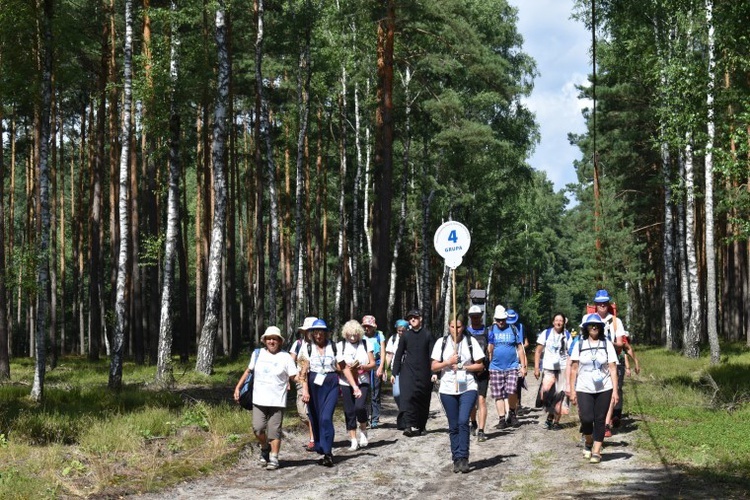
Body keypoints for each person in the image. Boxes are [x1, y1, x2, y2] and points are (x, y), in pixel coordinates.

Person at [233, 326, 298, 470]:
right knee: (258, 429)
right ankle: (264, 447)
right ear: (265, 341)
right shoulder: (257, 354)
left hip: (277, 400)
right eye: (269, 339)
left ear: (279, 341)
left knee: (274, 430)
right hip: (258, 399)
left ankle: (274, 458)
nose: (271, 341)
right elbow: (248, 371)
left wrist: (304, 385)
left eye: (274, 339)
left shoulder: (285, 357)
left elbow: (294, 376)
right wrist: (238, 387)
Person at [299, 318, 360, 467]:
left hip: (331, 383)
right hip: (313, 384)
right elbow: (303, 372)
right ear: (312, 333)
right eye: (315, 332)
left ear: (326, 333)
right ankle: (321, 446)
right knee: (316, 417)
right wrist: (305, 390)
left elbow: (344, 367)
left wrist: (355, 386)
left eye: (321, 332)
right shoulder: (306, 348)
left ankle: (328, 452)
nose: (318, 335)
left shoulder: (334, 347)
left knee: (326, 417)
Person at [432, 317, 485, 473]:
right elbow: (434, 366)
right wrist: (448, 362)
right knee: (453, 425)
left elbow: (480, 365)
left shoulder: (471, 341)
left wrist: (463, 366)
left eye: (459, 326)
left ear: (463, 327)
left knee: (463, 421)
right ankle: (456, 458)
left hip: (468, 386)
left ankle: (464, 457)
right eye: (453, 326)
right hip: (447, 389)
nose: (456, 330)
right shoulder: (441, 342)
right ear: (448, 327)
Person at [568, 313, 619, 464]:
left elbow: (613, 368)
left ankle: (597, 450)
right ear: (586, 328)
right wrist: (572, 390)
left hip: (604, 387)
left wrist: (615, 391)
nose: (594, 327)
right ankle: (588, 440)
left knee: (600, 419)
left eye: (597, 325)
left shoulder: (607, 343)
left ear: (601, 328)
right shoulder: (580, 343)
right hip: (584, 387)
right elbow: (574, 369)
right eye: (591, 325)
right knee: (586, 418)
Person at [592, 289, 640, 437]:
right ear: (595, 304)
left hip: (613, 360)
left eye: (605, 303)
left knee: (613, 392)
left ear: (608, 304)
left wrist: (606, 343)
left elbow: (621, 344)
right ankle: (596, 421)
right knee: (595, 391)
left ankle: (606, 424)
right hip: (594, 362)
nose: (602, 306)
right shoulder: (589, 318)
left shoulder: (615, 321)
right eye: (599, 303)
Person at [392, 308, 436, 437]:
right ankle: (408, 426)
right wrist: (394, 373)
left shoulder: (428, 334)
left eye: (415, 317)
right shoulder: (405, 335)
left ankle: (421, 426)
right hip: (408, 372)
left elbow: (432, 356)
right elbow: (398, 354)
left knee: (423, 400)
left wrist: (434, 372)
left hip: (425, 373)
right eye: (410, 318)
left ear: (420, 319)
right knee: (407, 399)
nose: (412, 319)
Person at [337, 319, 376, 451]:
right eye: (350, 334)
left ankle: (363, 429)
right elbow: (337, 365)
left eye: (355, 334)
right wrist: (345, 367)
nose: (353, 337)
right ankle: (353, 439)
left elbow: (373, 364)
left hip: (362, 380)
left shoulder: (366, 344)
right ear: (345, 334)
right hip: (345, 382)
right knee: (349, 411)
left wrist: (362, 366)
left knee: (359, 407)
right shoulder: (340, 345)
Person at [487, 305, 527, 429]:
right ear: (495, 319)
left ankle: (512, 413)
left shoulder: (513, 329)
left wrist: (523, 366)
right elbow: (489, 349)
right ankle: (501, 419)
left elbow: (520, 349)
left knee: (512, 390)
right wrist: (488, 364)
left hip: (512, 366)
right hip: (495, 367)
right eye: (498, 319)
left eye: (503, 319)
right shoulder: (491, 330)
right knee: (498, 394)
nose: (501, 322)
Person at [534, 313, 571, 430]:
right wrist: (536, 368)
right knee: (547, 395)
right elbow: (538, 351)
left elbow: (571, 354)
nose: (559, 322)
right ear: (553, 322)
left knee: (560, 396)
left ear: (564, 322)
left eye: (561, 320)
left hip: (562, 369)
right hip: (549, 369)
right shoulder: (546, 334)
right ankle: (550, 416)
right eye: (556, 320)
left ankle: (556, 422)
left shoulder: (567, 336)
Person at [289, 316, 317, 452]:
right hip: (301, 380)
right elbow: (289, 362)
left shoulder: (322, 344)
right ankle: (316, 431)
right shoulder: (298, 344)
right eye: (308, 330)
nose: (311, 333)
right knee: (302, 413)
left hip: (316, 380)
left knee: (313, 410)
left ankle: (313, 439)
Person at [465, 305, 490, 442]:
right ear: (469, 317)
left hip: (483, 371)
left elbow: (490, 349)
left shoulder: (487, 331)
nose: (475, 319)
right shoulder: (465, 332)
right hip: (469, 370)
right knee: (471, 401)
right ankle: (473, 422)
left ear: (481, 316)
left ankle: (481, 430)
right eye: (472, 316)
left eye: (477, 316)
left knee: (481, 399)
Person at [362, 315, 386, 428]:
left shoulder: (379, 335)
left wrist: (382, 367)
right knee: (365, 392)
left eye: (369, 326)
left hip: (376, 364)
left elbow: (383, 352)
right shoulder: (361, 337)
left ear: (373, 326)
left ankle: (375, 418)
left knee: (375, 392)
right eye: (365, 326)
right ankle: (365, 418)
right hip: (365, 366)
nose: (367, 328)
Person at [385, 319, 408, 429]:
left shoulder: (410, 338)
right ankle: (403, 411)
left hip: (408, 370)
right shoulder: (393, 339)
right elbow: (389, 355)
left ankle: (407, 417)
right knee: (397, 394)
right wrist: (385, 368)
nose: (401, 333)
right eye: (399, 331)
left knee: (408, 395)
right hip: (396, 370)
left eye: (403, 331)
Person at [506, 309, 527, 414]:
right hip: (506, 358)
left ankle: (517, 404)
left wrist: (520, 348)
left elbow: (525, 342)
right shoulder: (501, 327)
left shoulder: (520, 327)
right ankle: (509, 408)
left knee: (518, 382)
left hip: (519, 356)